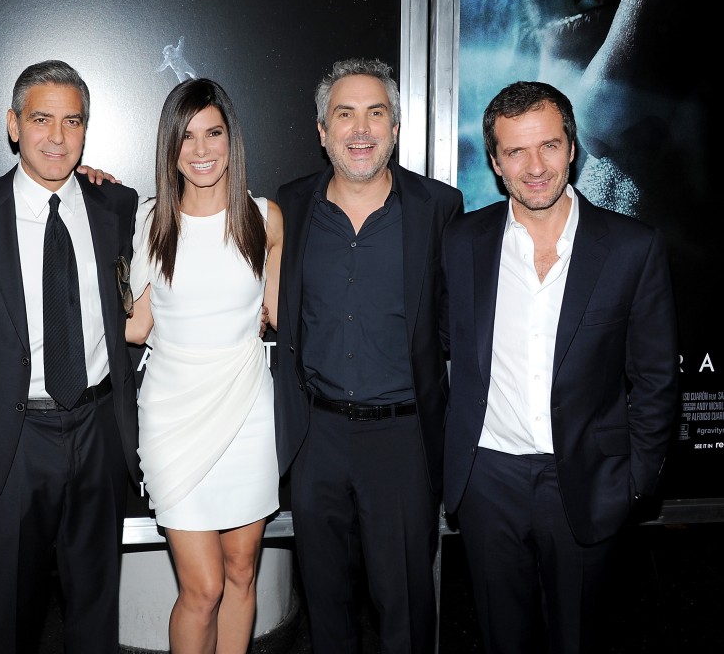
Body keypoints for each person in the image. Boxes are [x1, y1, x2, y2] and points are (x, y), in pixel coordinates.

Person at [441, 80, 679, 653]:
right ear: (496, 164)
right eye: (516, 151)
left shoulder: (631, 247)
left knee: (578, 639)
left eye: (548, 145)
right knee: (503, 640)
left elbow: (655, 378)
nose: (535, 166)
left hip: (585, 480)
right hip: (487, 480)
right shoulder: (463, 241)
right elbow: (440, 345)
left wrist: (635, 482)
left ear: (572, 148)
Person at [0, 59, 140, 654]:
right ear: (12, 125)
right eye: (41, 120)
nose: (57, 137)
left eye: (72, 122)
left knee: (97, 612)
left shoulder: (118, 207)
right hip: (12, 440)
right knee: (8, 617)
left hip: (98, 429)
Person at [274, 58, 463, 654]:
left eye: (375, 113)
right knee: (324, 607)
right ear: (322, 131)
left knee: (405, 608)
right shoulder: (290, 206)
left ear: (396, 128)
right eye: (345, 114)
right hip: (316, 438)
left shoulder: (439, 209)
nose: (361, 129)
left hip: (402, 441)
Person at [125, 78, 282, 653]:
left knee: (241, 573)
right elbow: (136, 326)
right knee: (204, 587)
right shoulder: (148, 222)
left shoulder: (265, 218)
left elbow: (278, 316)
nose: (200, 149)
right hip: (172, 417)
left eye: (212, 133)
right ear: (170, 147)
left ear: (231, 139)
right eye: (186, 136)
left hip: (246, 410)